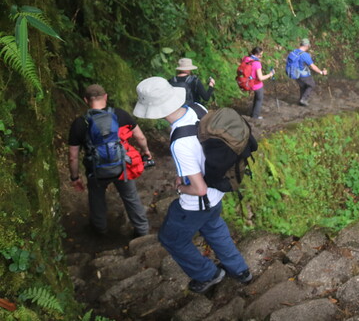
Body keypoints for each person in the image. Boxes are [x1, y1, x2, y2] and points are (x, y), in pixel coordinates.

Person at [133, 77, 252, 293]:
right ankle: (241, 271)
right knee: (214, 228)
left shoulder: (179, 142)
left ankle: (209, 274)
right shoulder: (197, 108)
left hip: (198, 201)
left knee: (171, 239)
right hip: (218, 190)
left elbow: (199, 189)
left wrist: (180, 187)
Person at [67, 84, 151, 237]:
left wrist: (75, 177)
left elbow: (73, 156)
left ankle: (100, 231)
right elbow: (140, 137)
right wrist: (146, 151)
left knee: (96, 199)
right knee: (131, 197)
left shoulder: (80, 123)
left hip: (96, 170)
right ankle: (142, 230)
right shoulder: (120, 114)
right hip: (122, 166)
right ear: (105, 97)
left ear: (86, 100)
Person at [288, 38, 327, 106]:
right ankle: (304, 100)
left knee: (303, 86)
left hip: (294, 73)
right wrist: (321, 72)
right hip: (303, 74)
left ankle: (301, 101)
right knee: (311, 85)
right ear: (306, 46)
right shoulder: (304, 55)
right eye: (308, 46)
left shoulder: (294, 51)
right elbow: (312, 66)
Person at [243, 47, 275, 119]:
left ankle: (253, 113)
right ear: (257, 55)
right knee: (259, 100)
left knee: (256, 98)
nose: (261, 56)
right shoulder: (257, 63)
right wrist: (270, 74)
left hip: (248, 82)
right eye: (261, 55)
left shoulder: (247, 59)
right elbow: (260, 78)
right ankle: (255, 116)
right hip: (257, 85)